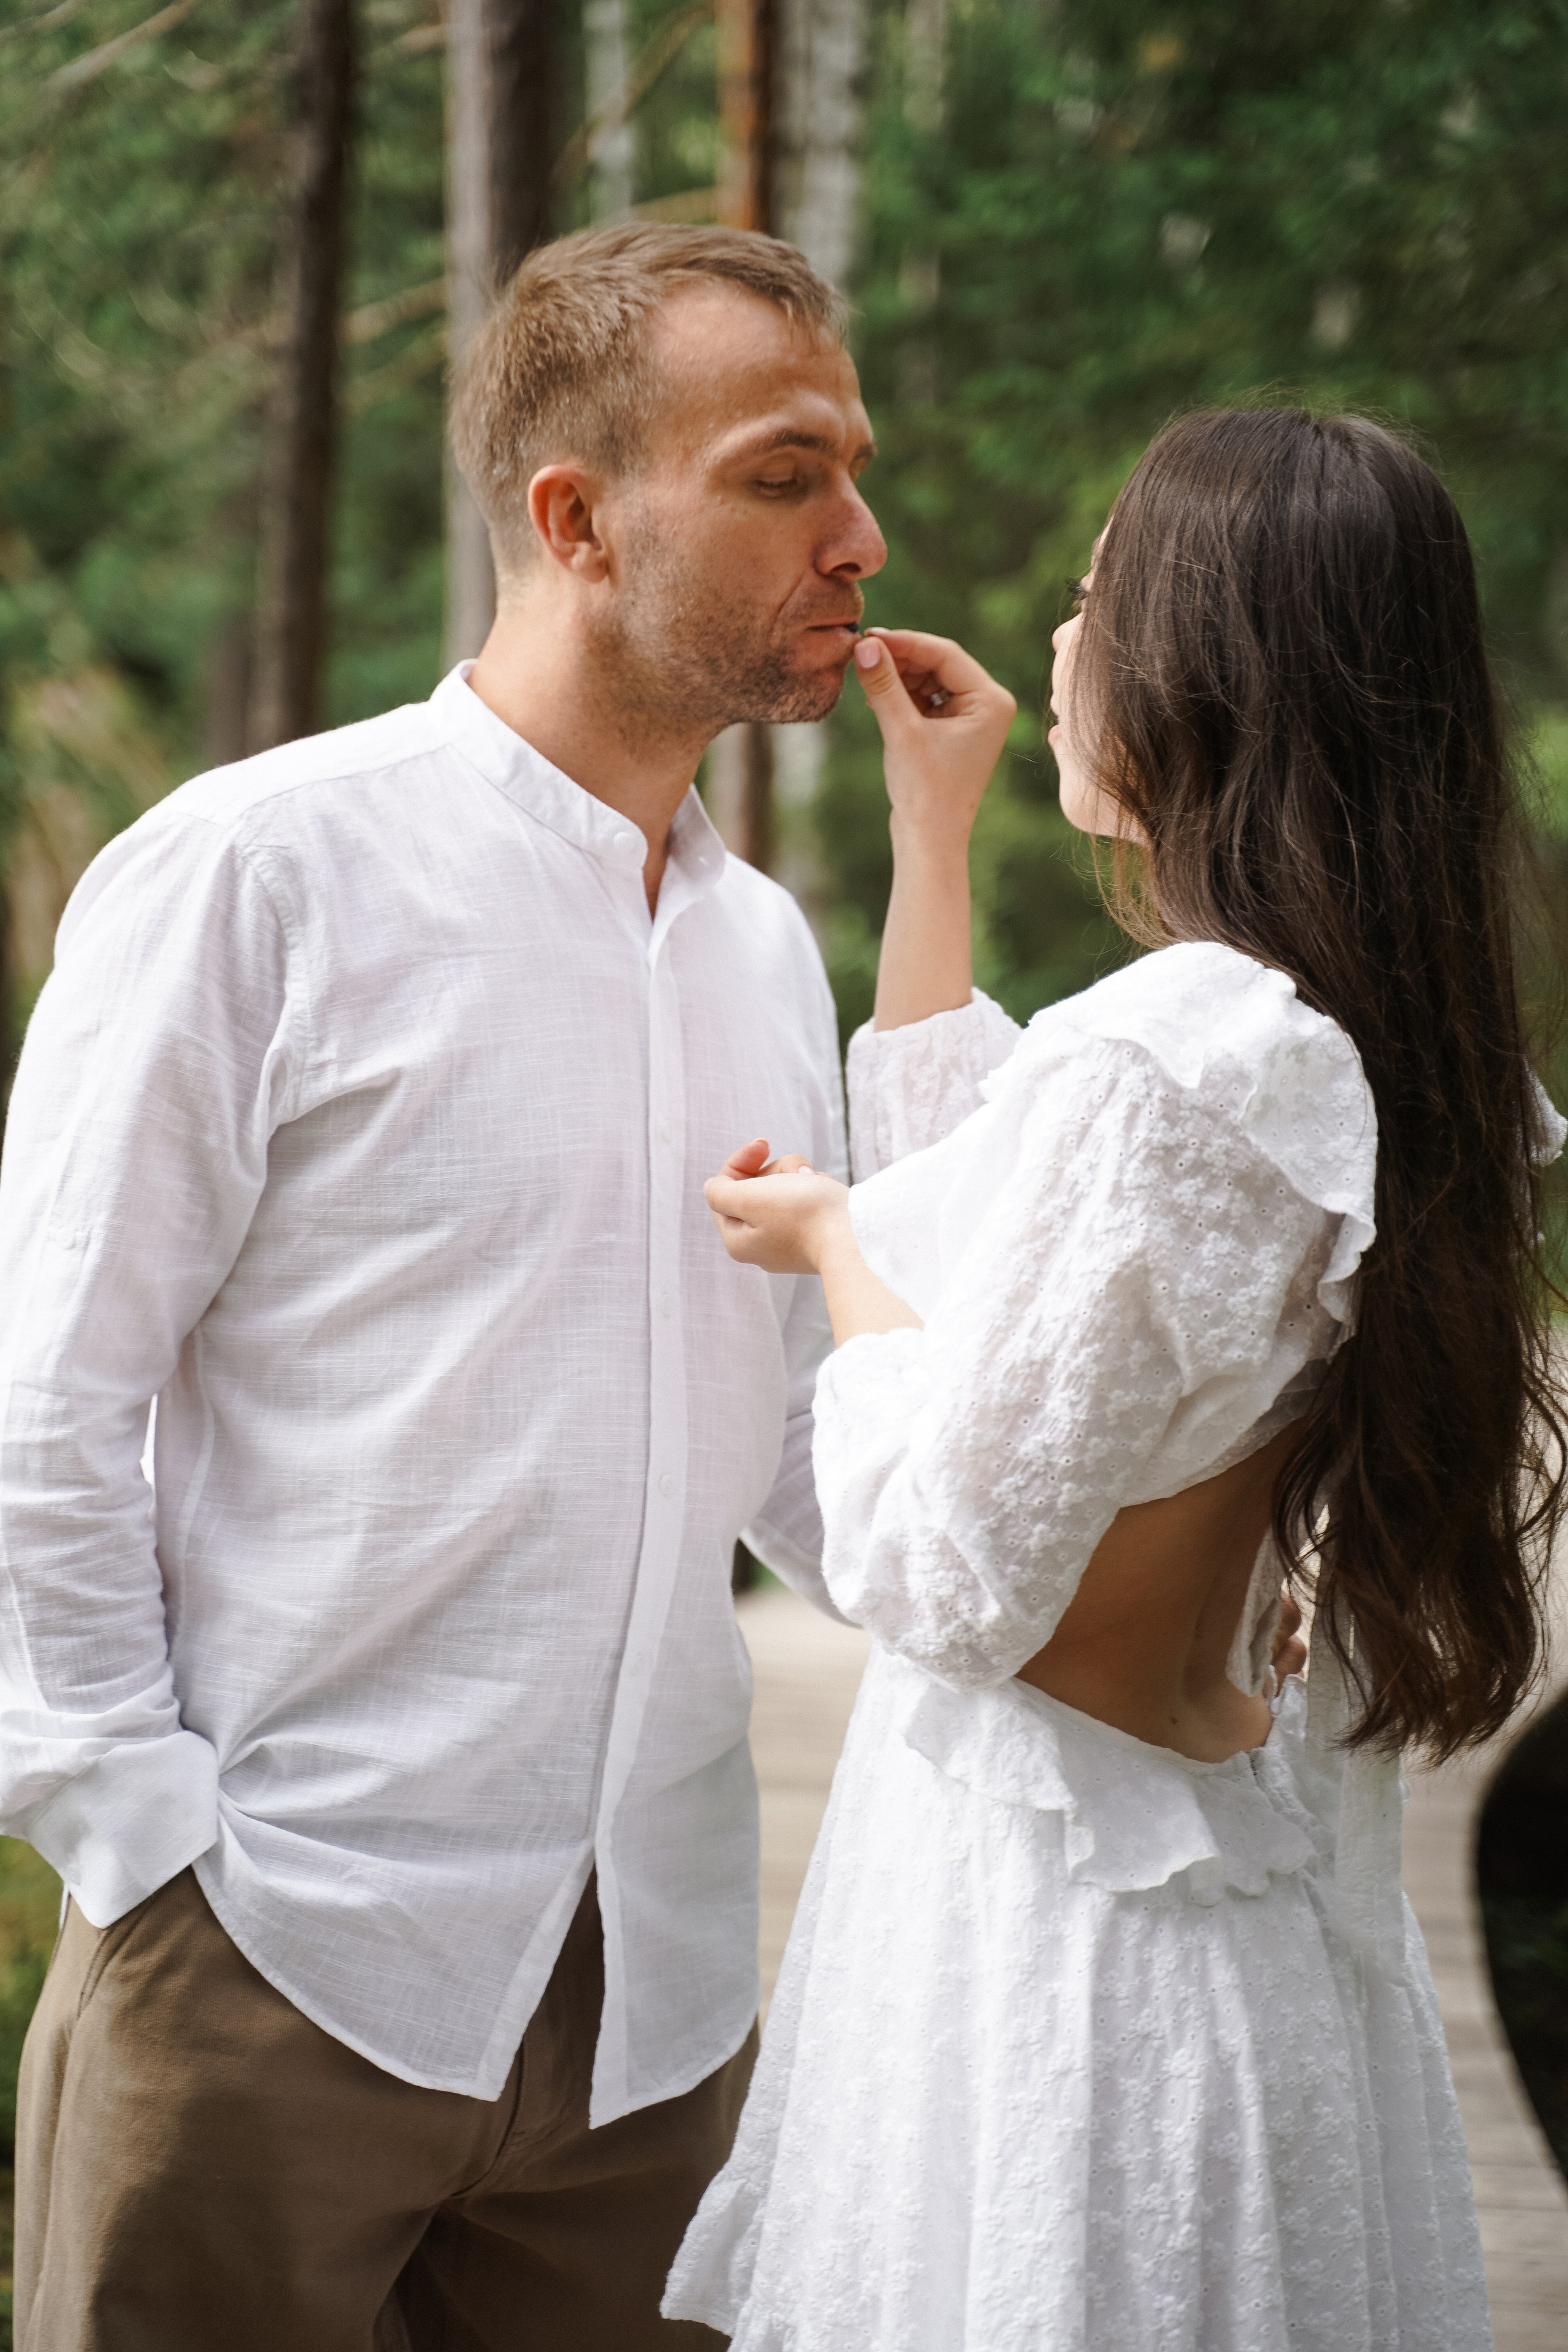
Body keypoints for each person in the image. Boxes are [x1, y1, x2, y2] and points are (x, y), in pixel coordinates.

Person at [0, 224, 885, 2350]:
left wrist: (1088, 1591)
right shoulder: (256, 872)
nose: (861, 533)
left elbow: (790, 1439)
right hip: (275, 1961)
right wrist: (139, 1834)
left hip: (659, 2015)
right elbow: (46, 1397)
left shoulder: (764, 947)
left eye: (853, 470)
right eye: (783, 477)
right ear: (576, 519)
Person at [664, 407, 1566, 2350]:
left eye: (1096, 602)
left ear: (1204, 668)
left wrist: (827, 1250)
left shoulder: (1183, 1063)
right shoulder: (1355, 1042)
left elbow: (951, 1565)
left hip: (1062, 1946)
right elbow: (1018, 1246)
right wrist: (932, 832)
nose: (1064, 649)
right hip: (1209, 1886)